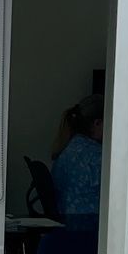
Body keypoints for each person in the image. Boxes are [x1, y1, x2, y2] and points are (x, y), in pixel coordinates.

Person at [51, 93, 104, 226]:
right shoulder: (97, 156)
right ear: (97, 123)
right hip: (90, 227)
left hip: (69, 224)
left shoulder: (70, 148)